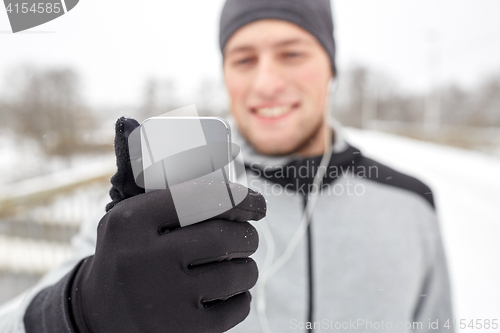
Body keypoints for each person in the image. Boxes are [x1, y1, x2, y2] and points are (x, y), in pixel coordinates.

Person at [0, 0, 453, 332]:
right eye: (244, 59)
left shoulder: (409, 203)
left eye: (292, 53)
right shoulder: (170, 194)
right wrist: (78, 310)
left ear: (331, 66)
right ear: (225, 73)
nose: (267, 82)